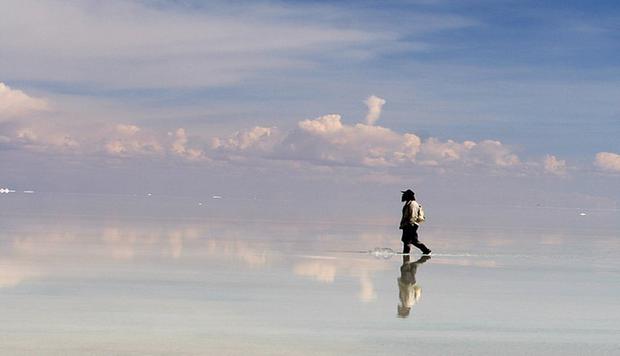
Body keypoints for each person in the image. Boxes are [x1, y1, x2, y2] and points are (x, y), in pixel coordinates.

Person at [399, 189, 431, 255]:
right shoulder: (409, 203)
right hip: (410, 224)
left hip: (410, 224)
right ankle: (426, 250)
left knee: (407, 240)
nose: (403, 196)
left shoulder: (412, 204)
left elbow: (413, 215)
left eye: (404, 194)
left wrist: (409, 224)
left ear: (408, 196)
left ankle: (406, 254)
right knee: (413, 240)